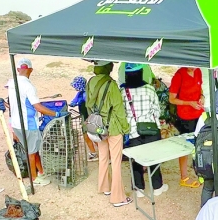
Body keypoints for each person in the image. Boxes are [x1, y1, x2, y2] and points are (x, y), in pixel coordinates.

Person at [86, 61, 131, 207]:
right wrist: (126, 128)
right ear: (109, 68)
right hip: (113, 127)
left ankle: (105, 187)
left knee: (103, 157)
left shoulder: (90, 82)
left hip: (98, 126)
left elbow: (88, 104)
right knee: (116, 162)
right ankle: (118, 198)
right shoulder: (111, 85)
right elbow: (119, 109)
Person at [7, 58, 58, 186]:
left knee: (32, 149)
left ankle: (41, 172)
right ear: (30, 70)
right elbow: (38, 107)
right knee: (32, 151)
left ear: (18, 69)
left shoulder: (11, 82)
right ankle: (35, 179)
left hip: (16, 123)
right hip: (28, 123)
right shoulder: (29, 86)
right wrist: (55, 114)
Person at [122, 62, 166, 196]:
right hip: (151, 129)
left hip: (134, 131)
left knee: (136, 160)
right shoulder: (149, 89)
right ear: (141, 73)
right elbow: (157, 111)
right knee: (154, 158)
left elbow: (123, 112)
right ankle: (157, 187)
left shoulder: (123, 92)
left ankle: (139, 189)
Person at [169, 67, 205, 188]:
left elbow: (200, 89)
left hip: (198, 115)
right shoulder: (179, 76)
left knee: (200, 145)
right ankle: (184, 177)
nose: (192, 67)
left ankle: (201, 172)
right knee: (185, 147)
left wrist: (202, 97)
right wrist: (189, 103)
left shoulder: (198, 71)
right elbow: (172, 99)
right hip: (184, 116)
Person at [70, 75, 98, 161]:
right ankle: (94, 153)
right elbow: (74, 100)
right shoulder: (81, 93)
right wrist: (73, 103)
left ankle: (103, 153)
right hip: (84, 118)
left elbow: (90, 108)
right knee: (87, 136)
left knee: (93, 136)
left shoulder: (87, 94)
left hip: (88, 119)